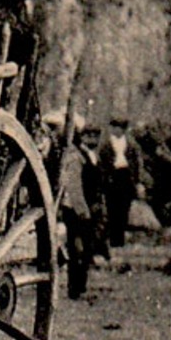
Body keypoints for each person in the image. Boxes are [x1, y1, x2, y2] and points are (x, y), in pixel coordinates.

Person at [60, 121, 104, 298]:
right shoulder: (76, 156)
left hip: (90, 208)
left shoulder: (93, 156)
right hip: (76, 210)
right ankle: (74, 288)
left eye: (96, 136)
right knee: (76, 249)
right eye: (89, 136)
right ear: (83, 137)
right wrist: (82, 210)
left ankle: (81, 285)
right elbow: (74, 186)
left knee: (86, 249)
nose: (93, 139)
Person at [99, 115, 145, 249]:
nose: (116, 130)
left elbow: (138, 163)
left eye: (120, 128)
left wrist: (138, 181)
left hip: (126, 178)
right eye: (114, 127)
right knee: (112, 209)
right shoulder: (106, 145)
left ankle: (120, 238)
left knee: (124, 209)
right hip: (112, 178)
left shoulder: (132, 144)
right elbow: (102, 163)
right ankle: (114, 239)